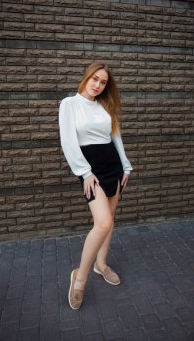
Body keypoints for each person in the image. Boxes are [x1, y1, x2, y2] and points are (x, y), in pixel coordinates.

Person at [59, 61, 133, 310]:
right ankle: (79, 277)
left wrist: (126, 166)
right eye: (95, 79)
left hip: (113, 166)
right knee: (102, 222)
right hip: (90, 170)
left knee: (110, 218)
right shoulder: (70, 104)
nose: (98, 85)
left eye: (103, 82)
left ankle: (101, 265)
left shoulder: (104, 106)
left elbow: (115, 136)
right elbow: (68, 142)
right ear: (87, 77)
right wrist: (84, 172)